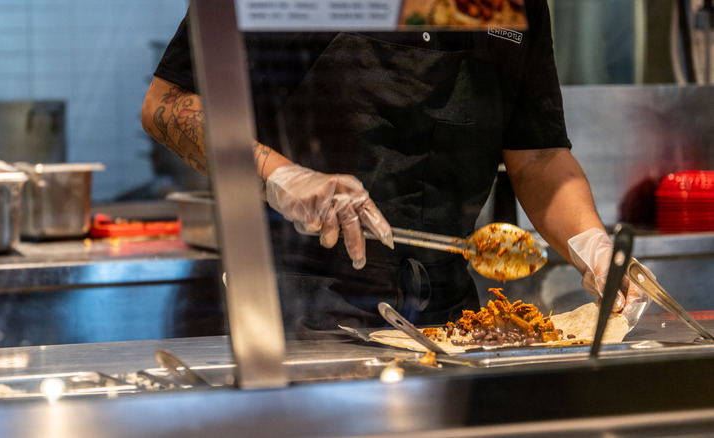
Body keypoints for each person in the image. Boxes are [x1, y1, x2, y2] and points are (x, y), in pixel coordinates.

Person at [142, 0, 649, 337]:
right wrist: (277, 175)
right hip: (299, 308)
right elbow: (167, 103)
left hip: (451, 318)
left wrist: (592, 245)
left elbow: (537, 155)